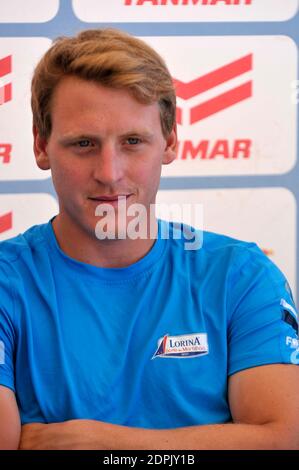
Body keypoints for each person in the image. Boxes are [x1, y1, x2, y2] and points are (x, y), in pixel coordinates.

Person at [0, 28, 299, 451]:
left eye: (133, 142)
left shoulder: (241, 277)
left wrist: (105, 445)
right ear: (41, 145)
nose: (109, 172)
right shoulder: (6, 280)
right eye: (83, 143)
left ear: (170, 141)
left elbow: (284, 438)